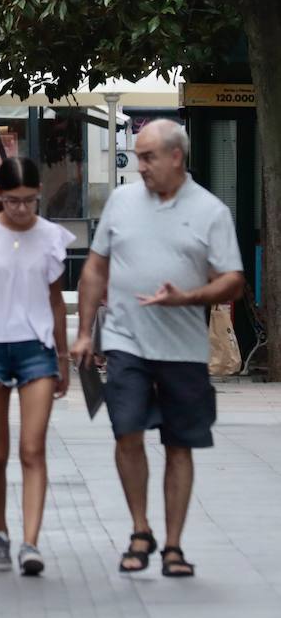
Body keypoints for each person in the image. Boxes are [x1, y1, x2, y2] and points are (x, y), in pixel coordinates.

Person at [71, 119, 243, 578]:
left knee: (178, 445)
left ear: (176, 157)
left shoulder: (210, 211)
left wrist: (187, 297)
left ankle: (173, 545)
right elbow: (94, 268)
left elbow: (233, 279)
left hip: (183, 350)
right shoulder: (123, 201)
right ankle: (139, 530)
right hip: (126, 341)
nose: (139, 165)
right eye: (137, 155)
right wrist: (86, 332)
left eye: (147, 157)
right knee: (126, 432)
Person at [0, 157, 73, 576]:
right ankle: (1, 531)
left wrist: (62, 357)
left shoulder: (52, 238)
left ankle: (31, 541)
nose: (21, 209)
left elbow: (57, 301)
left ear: (39, 195)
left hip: (36, 347)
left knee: (32, 448)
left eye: (29, 200)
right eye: (12, 201)